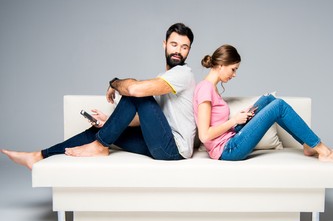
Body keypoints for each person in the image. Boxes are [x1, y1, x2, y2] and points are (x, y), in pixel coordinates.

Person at [1, 23, 196, 170]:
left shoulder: (183, 74)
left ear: (188, 51)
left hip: (174, 150)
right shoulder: (163, 78)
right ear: (164, 45)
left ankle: (100, 145)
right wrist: (112, 123)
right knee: (101, 131)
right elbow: (149, 117)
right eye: (174, 44)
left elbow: (135, 92)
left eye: (184, 47)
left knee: (135, 92)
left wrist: (114, 83)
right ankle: (40, 155)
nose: (178, 51)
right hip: (159, 141)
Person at [193, 44, 333, 166]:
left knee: (269, 99)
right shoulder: (205, 88)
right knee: (279, 106)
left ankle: (307, 145)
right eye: (233, 69)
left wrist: (241, 116)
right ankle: (324, 151)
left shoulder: (210, 87)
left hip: (232, 137)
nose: (235, 75)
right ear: (221, 65)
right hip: (228, 150)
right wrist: (235, 120)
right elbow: (204, 135)